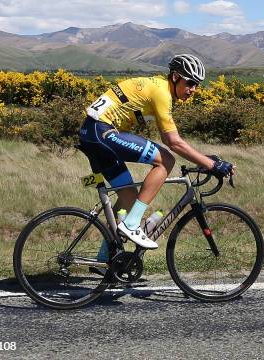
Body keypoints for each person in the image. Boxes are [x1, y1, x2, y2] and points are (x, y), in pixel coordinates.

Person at [78, 54, 233, 255]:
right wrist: (212, 165)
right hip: (102, 132)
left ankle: (105, 258)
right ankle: (132, 224)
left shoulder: (158, 87)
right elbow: (173, 142)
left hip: (93, 134)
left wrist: (206, 159)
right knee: (166, 160)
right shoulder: (162, 92)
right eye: (191, 83)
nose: (194, 90)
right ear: (176, 77)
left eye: (197, 85)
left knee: (129, 198)